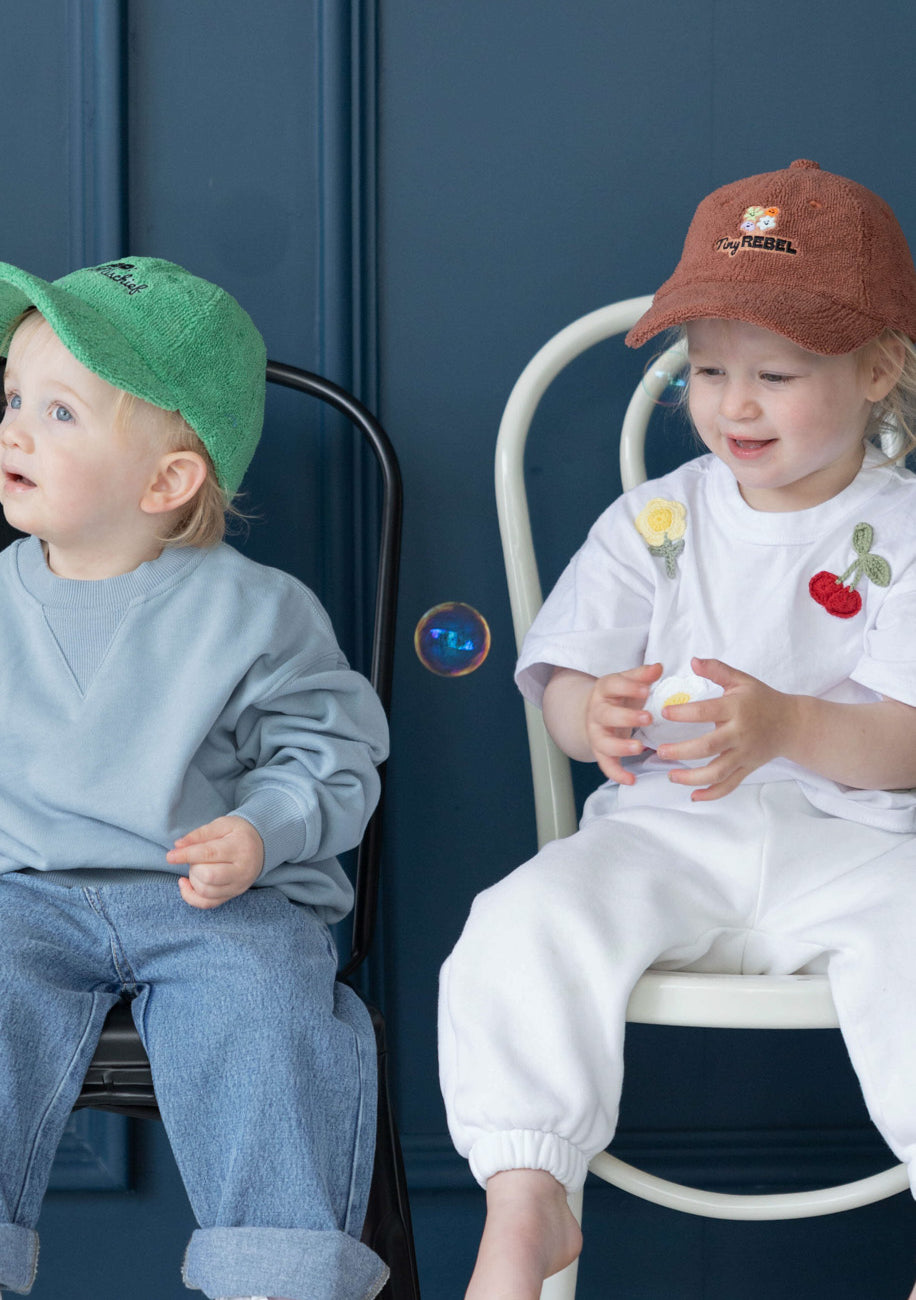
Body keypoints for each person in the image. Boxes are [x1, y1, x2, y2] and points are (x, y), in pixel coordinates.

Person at [0, 257, 391, 1300]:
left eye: (59, 411)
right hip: (16, 897)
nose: (13, 434)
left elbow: (332, 754)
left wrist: (262, 829)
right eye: (11, 404)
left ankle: (276, 1273)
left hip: (211, 897)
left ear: (166, 479)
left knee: (272, 1012)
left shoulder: (254, 611)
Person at [438, 159, 916, 1299]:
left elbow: (904, 741)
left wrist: (791, 724)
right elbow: (561, 685)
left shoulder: (901, 530)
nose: (730, 404)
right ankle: (528, 1194)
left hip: (857, 846)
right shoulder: (657, 516)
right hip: (664, 833)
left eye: (775, 373)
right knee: (519, 923)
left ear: (878, 371)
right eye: (703, 371)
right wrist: (583, 710)